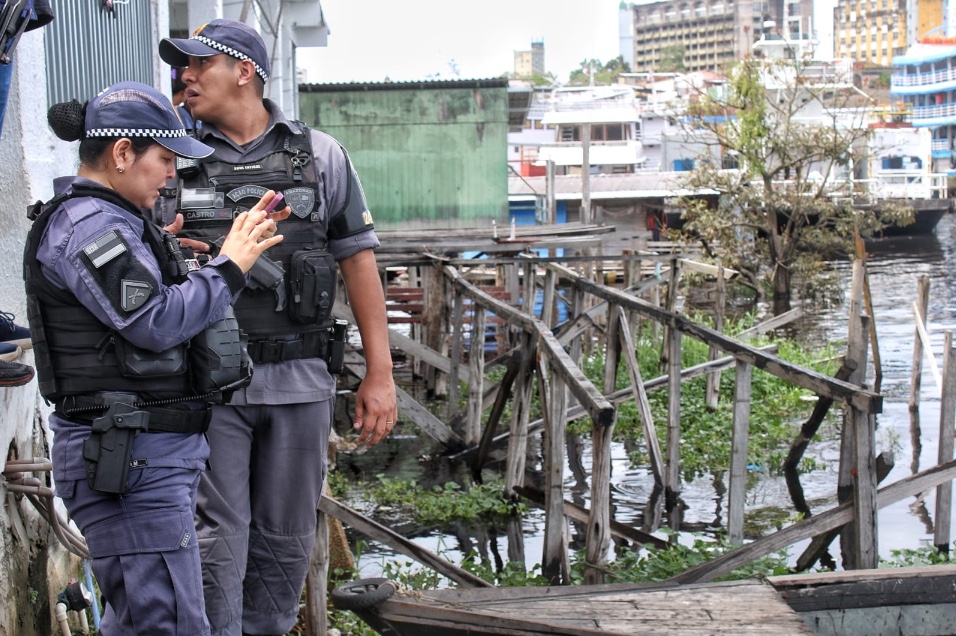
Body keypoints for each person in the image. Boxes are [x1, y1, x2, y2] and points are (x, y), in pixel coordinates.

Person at [158, 19, 398, 635]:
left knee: (286, 537)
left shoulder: (319, 155)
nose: (184, 76)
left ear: (244, 71)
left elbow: (359, 261)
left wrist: (380, 373)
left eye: (199, 64)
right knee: (214, 539)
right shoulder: (170, 157)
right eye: (183, 65)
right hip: (207, 387)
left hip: (299, 382)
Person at [24, 81, 289, 634]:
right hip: (130, 458)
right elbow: (154, 322)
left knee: (148, 621)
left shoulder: (114, 220)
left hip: (145, 454)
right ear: (122, 153)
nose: (171, 175)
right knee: (165, 625)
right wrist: (231, 265)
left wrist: (172, 258)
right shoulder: (91, 225)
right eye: (165, 159)